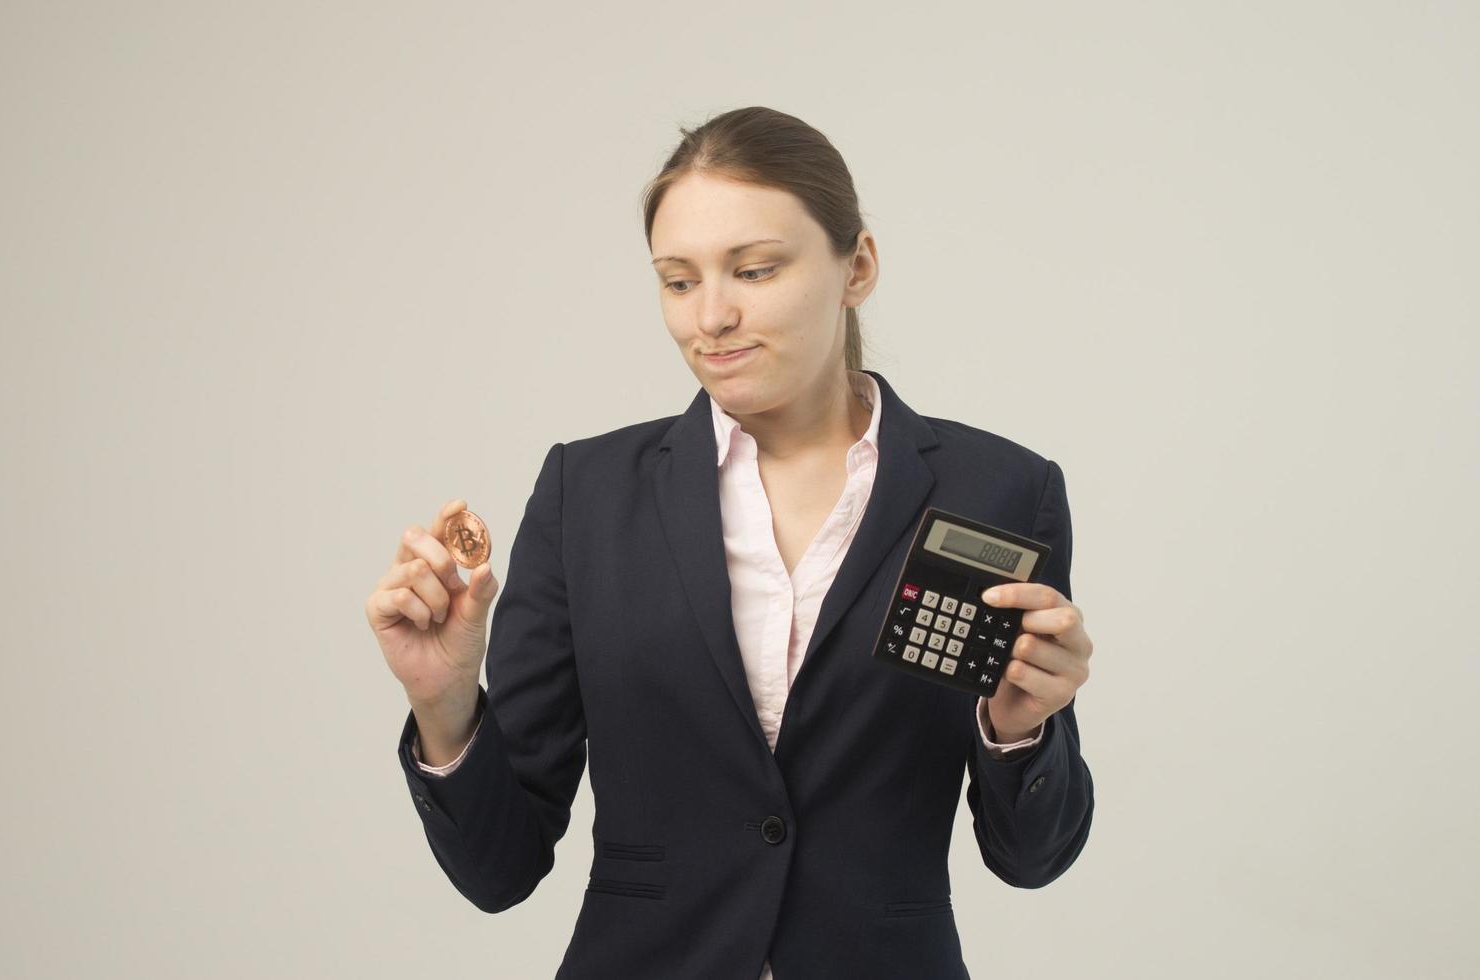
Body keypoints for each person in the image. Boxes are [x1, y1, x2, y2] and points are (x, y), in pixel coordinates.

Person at [365, 106, 1096, 980]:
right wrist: (446, 706)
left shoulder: (1001, 491)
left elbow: (1032, 857)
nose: (711, 316)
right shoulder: (586, 495)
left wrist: (1021, 730)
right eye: (678, 282)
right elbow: (500, 871)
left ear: (856, 265)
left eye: (754, 269)